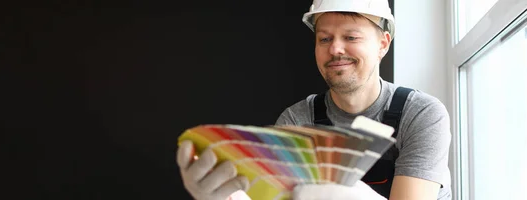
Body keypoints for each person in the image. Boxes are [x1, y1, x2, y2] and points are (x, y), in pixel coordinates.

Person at [176, 0, 452, 199]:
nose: (335, 49)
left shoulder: (421, 113)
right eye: (324, 39)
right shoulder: (297, 120)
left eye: (351, 36)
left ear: (383, 44)